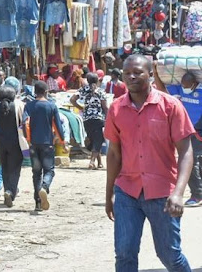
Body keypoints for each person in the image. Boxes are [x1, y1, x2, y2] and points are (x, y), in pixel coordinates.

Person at [105, 54, 194, 271]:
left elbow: (185, 151)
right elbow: (114, 155)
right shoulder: (116, 109)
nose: (131, 77)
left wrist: (178, 193)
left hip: (162, 194)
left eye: (137, 72)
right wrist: (109, 195)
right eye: (127, 73)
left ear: (150, 74)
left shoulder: (171, 106)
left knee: (170, 256)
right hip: (127, 191)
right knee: (124, 254)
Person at [155, 71, 202, 208]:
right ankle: (197, 194)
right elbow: (162, 88)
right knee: (192, 162)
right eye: (183, 85)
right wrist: (157, 72)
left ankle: (198, 194)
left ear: (195, 84)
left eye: (187, 86)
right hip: (187, 132)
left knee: (196, 162)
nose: (185, 88)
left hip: (199, 131)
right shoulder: (178, 89)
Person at [24, 80, 65, 211]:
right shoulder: (51, 106)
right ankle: (45, 187)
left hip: (33, 144)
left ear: (34, 92)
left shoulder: (29, 106)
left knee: (36, 173)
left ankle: (38, 203)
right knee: (49, 171)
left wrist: (28, 139)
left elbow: (24, 123)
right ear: (46, 91)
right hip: (48, 144)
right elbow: (58, 126)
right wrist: (63, 142)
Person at [70, 72, 108, 170]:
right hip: (98, 118)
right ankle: (92, 162)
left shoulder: (83, 90)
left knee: (94, 140)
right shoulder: (100, 91)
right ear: (97, 80)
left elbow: (72, 99)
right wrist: (108, 118)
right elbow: (105, 107)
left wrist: (80, 107)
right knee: (98, 140)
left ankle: (99, 162)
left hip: (86, 119)